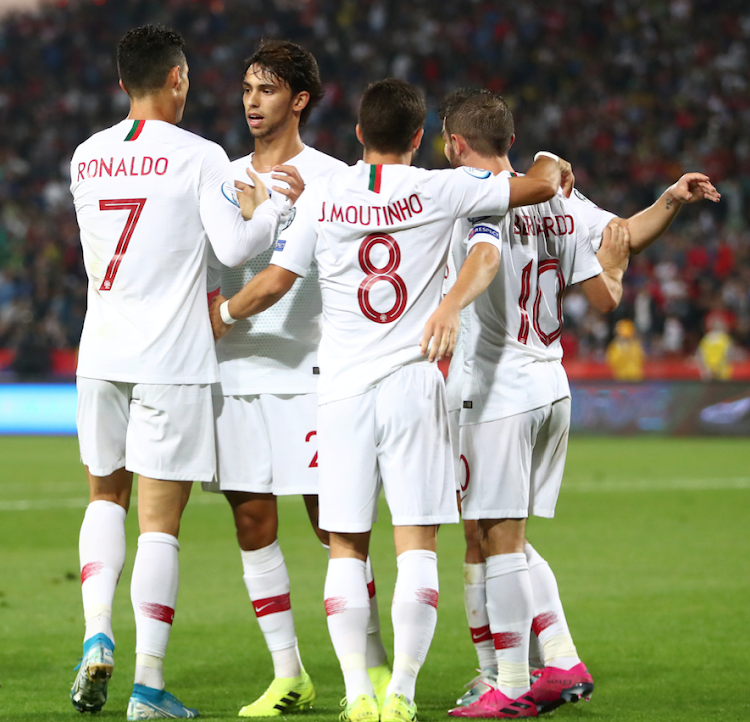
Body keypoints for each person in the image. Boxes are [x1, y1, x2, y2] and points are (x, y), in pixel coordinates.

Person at [210, 78, 566, 722]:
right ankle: (400, 692)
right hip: (415, 382)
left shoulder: (327, 194)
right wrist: (549, 164)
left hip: (341, 390)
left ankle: (356, 695)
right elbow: (537, 186)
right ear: (420, 138)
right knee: (417, 547)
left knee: (345, 545)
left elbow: (276, 281)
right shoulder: (441, 188)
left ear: (357, 136)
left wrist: (226, 312)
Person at [435, 89, 719, 718]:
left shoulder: (463, 196)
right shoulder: (558, 198)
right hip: (551, 387)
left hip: (497, 389)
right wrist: (670, 199)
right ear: (509, 139)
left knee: (499, 537)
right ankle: (550, 660)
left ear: (454, 144)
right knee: (490, 533)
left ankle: (513, 681)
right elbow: (622, 235)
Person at [69, 25, 302, 721]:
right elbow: (235, 248)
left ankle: (95, 633)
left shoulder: (85, 157)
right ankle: (146, 685)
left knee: (103, 500)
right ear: (177, 80)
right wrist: (276, 210)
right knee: (159, 526)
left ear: (121, 85)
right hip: (171, 357)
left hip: (100, 351)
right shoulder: (201, 156)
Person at [204, 40, 390, 717]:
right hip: (236, 373)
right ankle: (290, 675)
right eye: (248, 88)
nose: (253, 101)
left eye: (268, 89)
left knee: (333, 528)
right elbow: (211, 261)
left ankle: (368, 673)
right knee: (253, 522)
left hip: (312, 373)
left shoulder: (335, 178)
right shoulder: (221, 177)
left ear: (300, 99)